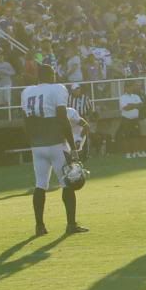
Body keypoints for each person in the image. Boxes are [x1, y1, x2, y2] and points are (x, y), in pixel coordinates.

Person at [20, 64, 86, 235]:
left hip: (37, 144)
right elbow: (63, 119)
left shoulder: (27, 92)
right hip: (56, 143)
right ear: (51, 75)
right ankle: (71, 225)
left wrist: (33, 142)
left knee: (40, 185)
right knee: (67, 183)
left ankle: (39, 226)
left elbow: (26, 122)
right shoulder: (57, 89)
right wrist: (72, 147)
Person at [118, 85, 146, 158]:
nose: (130, 88)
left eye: (131, 86)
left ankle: (135, 152)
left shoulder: (136, 96)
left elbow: (141, 105)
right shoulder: (122, 97)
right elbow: (125, 108)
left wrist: (131, 105)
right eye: (128, 86)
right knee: (126, 137)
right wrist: (135, 105)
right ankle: (128, 153)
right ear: (125, 88)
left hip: (135, 119)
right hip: (126, 119)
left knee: (136, 136)